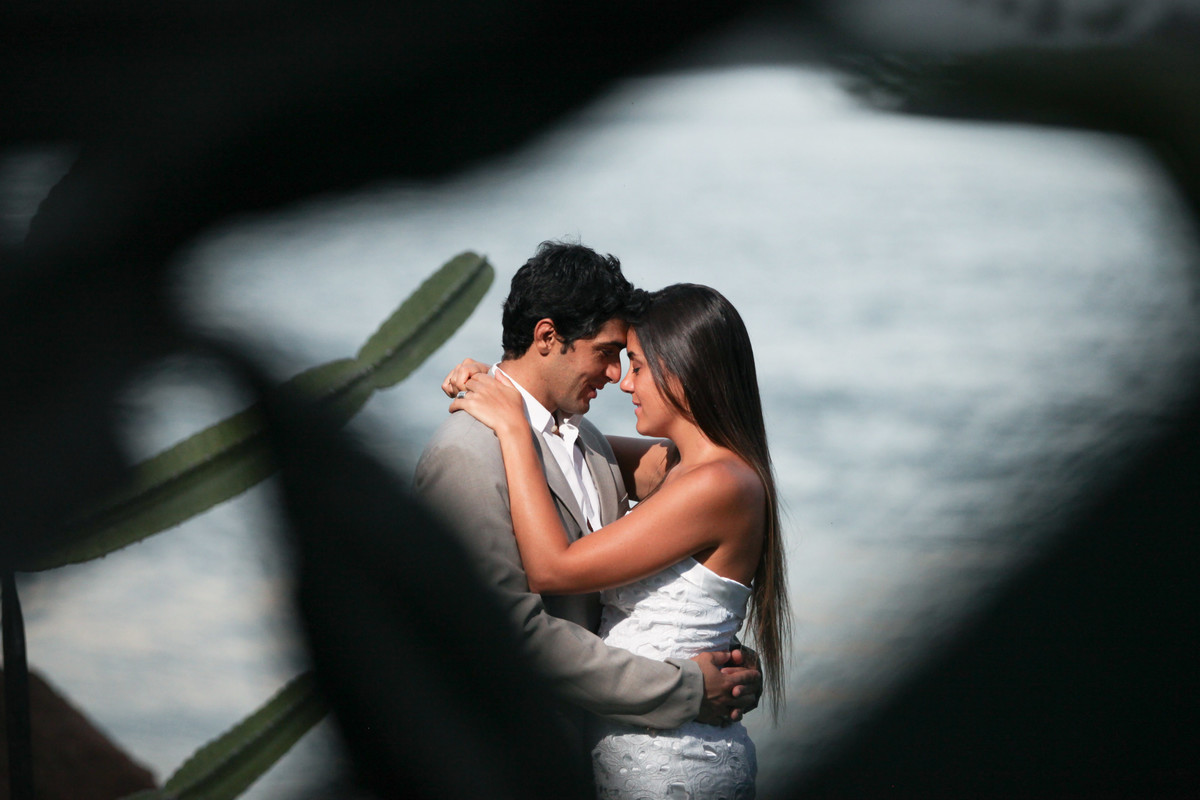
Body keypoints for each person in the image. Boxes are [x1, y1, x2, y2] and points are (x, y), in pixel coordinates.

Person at [413, 243, 763, 786]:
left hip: (602, 760)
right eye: (606, 352)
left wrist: (726, 659)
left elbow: (697, 481)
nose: (616, 375)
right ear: (547, 337)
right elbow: (509, 635)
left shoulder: (590, 443)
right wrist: (688, 687)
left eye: (630, 359)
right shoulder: (467, 453)